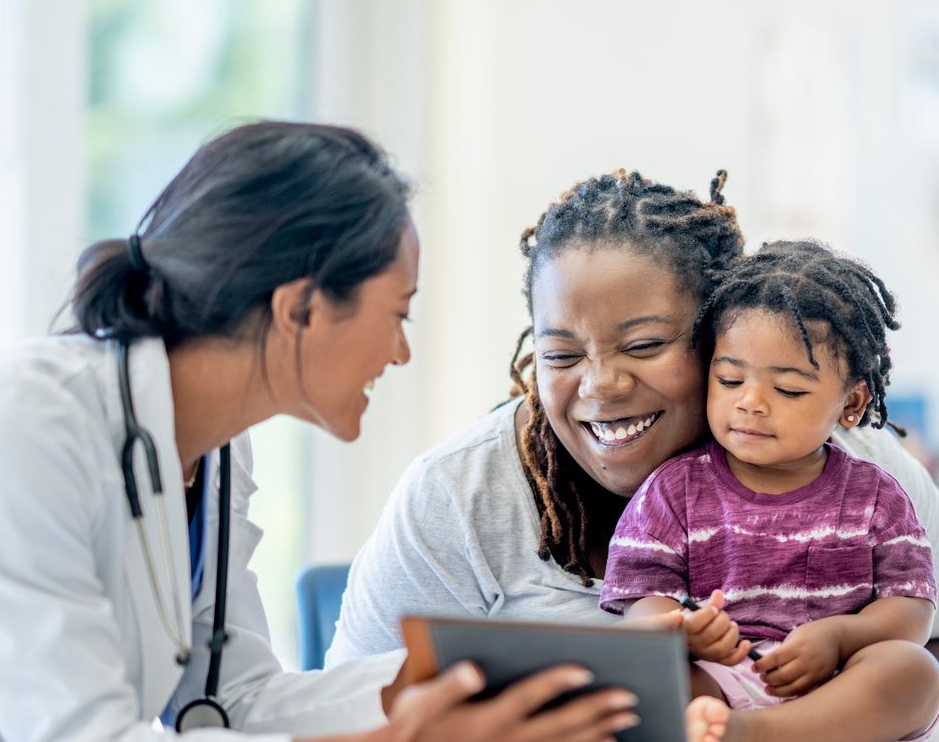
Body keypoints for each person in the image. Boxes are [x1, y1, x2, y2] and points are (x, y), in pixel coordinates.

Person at [0, 121, 642, 742]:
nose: (400, 352)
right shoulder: (22, 416)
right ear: (300, 308)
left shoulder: (214, 451)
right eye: (397, 313)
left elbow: (230, 704)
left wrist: (481, 675)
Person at [326, 173, 939, 669]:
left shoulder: (862, 472)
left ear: (723, 332)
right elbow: (360, 711)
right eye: (560, 355)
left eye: (644, 346)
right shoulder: (456, 496)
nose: (601, 385)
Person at [599, 240, 939, 742]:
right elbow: (643, 603)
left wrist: (841, 636)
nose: (750, 403)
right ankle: (720, 725)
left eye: (788, 390)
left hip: (839, 683)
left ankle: (751, 737)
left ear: (851, 403)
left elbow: (911, 612)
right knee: (634, 676)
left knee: (915, 672)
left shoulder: (876, 496)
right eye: (730, 379)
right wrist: (684, 632)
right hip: (718, 677)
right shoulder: (672, 491)